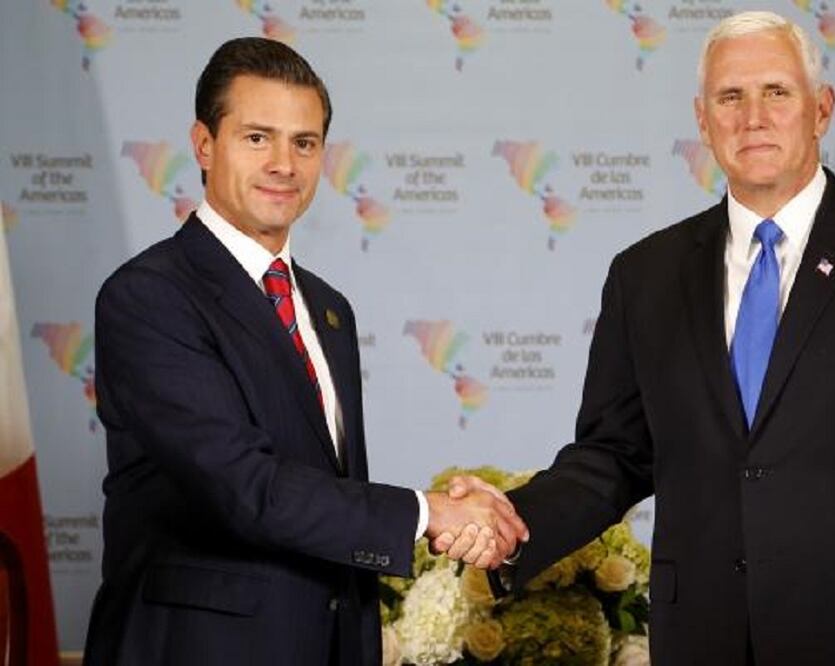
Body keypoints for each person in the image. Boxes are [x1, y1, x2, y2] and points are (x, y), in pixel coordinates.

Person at [447, 10, 835, 665]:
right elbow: (614, 457)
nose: (753, 117)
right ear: (702, 120)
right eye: (730, 97)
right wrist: (513, 521)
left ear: (821, 109)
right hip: (701, 641)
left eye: (777, 92)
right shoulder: (644, 276)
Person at [83, 37, 525, 666]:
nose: (284, 164)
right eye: (257, 138)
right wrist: (430, 515)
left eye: (304, 142)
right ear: (205, 145)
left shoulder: (328, 308)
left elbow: (326, 490)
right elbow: (246, 488)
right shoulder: (149, 296)